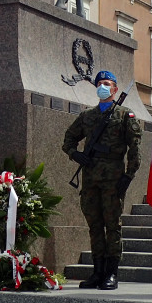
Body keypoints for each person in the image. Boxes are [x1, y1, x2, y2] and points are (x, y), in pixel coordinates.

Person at [62, 70, 142, 290]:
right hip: (90, 178)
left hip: (113, 179)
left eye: (107, 84)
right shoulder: (87, 116)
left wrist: (129, 174)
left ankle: (111, 274)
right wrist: (74, 153)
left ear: (115, 89)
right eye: (100, 84)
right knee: (95, 226)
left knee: (112, 226)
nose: (103, 87)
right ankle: (97, 272)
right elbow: (68, 138)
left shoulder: (125, 115)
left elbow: (134, 149)